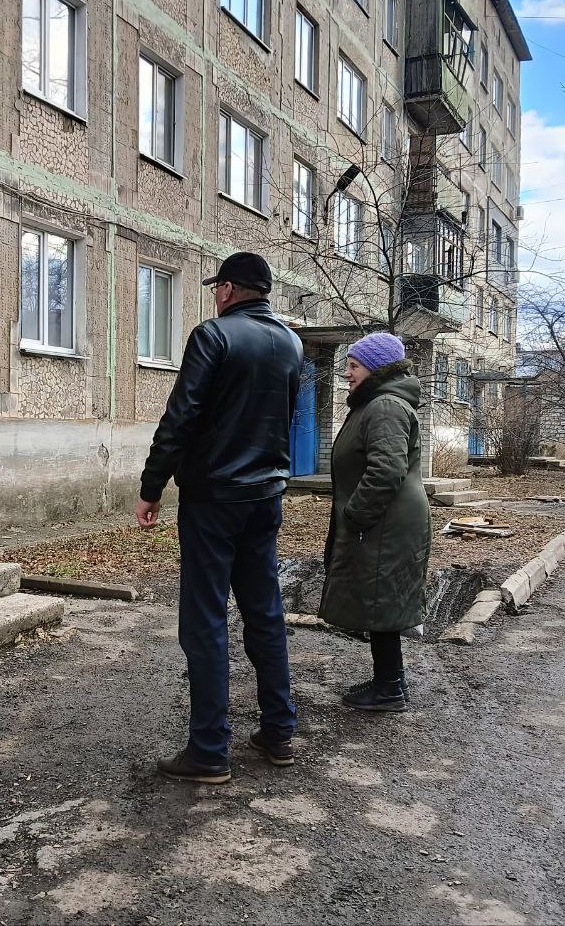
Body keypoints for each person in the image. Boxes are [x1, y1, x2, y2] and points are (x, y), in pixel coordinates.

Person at [136, 252, 304, 784]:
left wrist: (151, 486)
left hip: (214, 497)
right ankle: (279, 731)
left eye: (216, 287)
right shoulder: (292, 343)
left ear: (229, 289)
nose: (214, 294)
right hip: (266, 495)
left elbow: (181, 414)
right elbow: (282, 417)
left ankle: (209, 749)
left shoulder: (213, 336)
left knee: (205, 618)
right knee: (264, 610)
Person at [319, 332, 431, 712]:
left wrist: (356, 515)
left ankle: (388, 689)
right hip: (386, 519)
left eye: (354, 366)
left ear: (376, 367)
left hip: (386, 520)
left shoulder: (385, 406)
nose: (347, 373)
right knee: (380, 598)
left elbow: (386, 470)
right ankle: (391, 680)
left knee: (381, 598)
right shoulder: (378, 403)